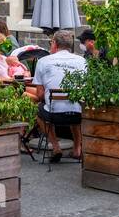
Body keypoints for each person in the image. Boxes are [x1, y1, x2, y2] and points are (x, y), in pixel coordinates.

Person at [30, 29, 87, 163]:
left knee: (38, 111)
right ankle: (77, 148)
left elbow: (39, 95)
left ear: (54, 43)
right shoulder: (82, 61)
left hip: (53, 115)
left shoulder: (43, 61)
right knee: (75, 105)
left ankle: (55, 147)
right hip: (77, 115)